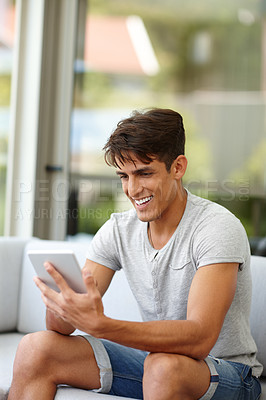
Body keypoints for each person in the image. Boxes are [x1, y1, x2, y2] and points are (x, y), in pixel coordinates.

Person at [8, 108, 262, 400]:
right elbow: (61, 328)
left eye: (144, 173)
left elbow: (200, 339)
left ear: (178, 167)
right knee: (36, 348)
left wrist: (102, 326)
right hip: (154, 362)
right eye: (123, 176)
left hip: (229, 374)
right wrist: (63, 305)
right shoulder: (119, 229)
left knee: (163, 367)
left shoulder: (217, 228)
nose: (132, 189)